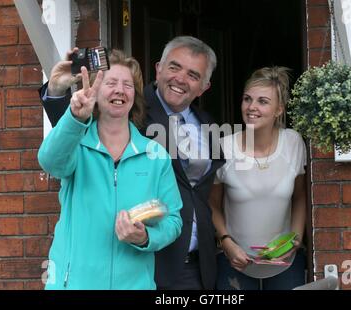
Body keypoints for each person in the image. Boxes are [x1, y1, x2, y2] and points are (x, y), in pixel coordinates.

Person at [39, 36, 225, 289]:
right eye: (174, 67)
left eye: (192, 74)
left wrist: (146, 236)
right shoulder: (81, 142)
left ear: (204, 86)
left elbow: (185, 208)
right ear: (158, 69)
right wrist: (61, 96)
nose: (180, 78)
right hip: (84, 280)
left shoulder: (196, 131)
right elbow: (54, 157)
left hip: (175, 269)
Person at [209, 67, 307, 290]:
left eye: (263, 101)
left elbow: (300, 196)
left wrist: (296, 238)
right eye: (247, 99)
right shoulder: (224, 147)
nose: (252, 107)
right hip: (235, 264)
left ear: (279, 109)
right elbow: (212, 203)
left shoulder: (293, 142)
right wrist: (225, 241)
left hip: (286, 263)